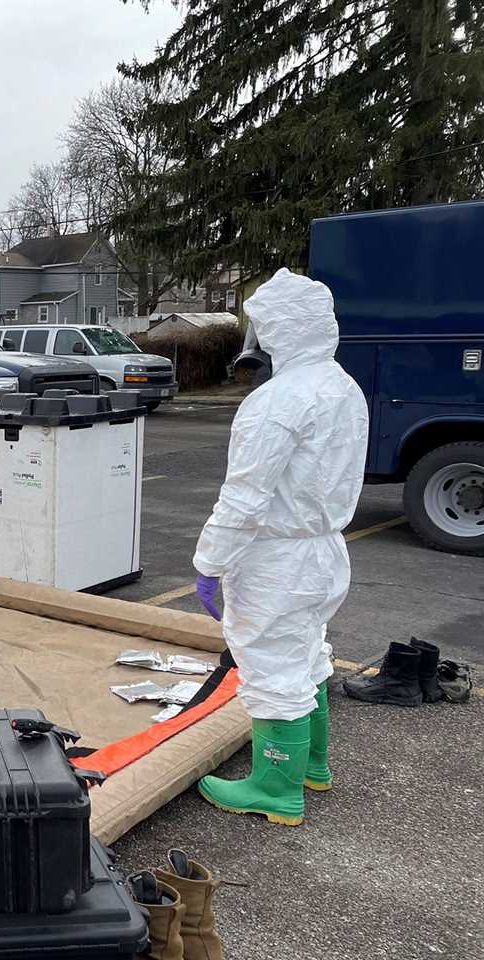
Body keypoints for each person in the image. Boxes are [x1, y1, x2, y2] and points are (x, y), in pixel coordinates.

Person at [192, 268, 368, 826]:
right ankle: (313, 765)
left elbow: (245, 498)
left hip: (278, 558)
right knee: (307, 654)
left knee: (271, 665)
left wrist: (210, 563)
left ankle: (276, 788)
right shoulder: (343, 387)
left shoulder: (276, 400)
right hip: (324, 551)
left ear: (279, 330)